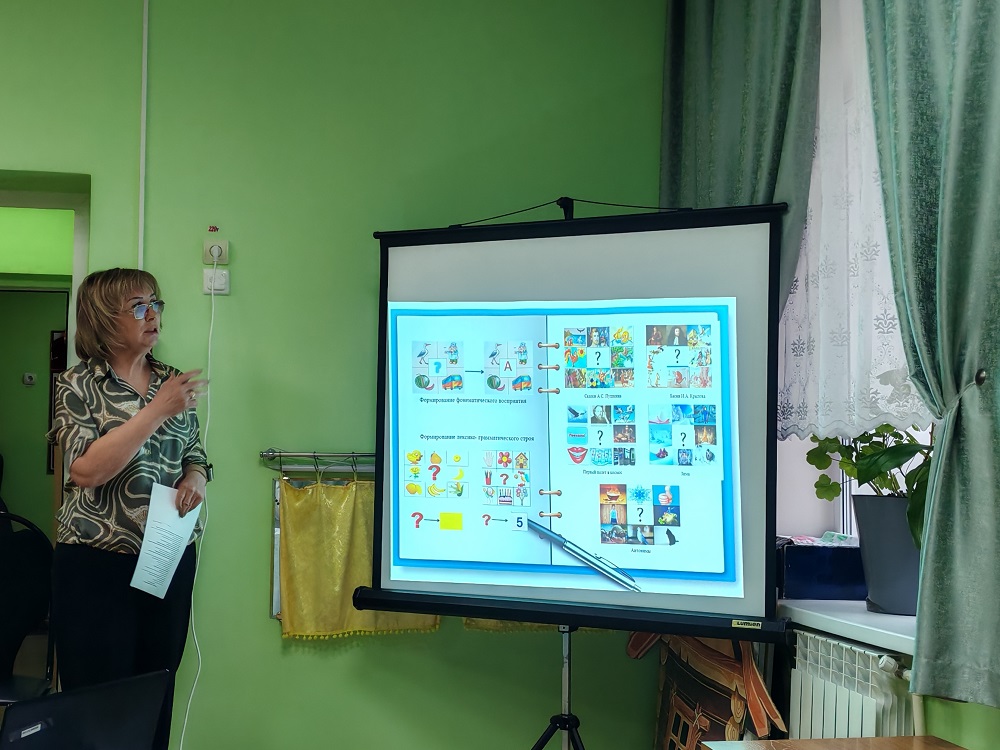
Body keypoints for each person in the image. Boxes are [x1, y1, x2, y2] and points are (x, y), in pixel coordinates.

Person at [47, 268, 210, 750]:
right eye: (139, 306)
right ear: (102, 318)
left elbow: (195, 453)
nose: (152, 314)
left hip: (166, 557)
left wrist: (196, 478)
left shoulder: (172, 381)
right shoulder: (77, 384)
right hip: (95, 564)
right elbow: (85, 470)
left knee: (154, 692)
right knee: (96, 702)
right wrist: (156, 410)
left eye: (155, 303)